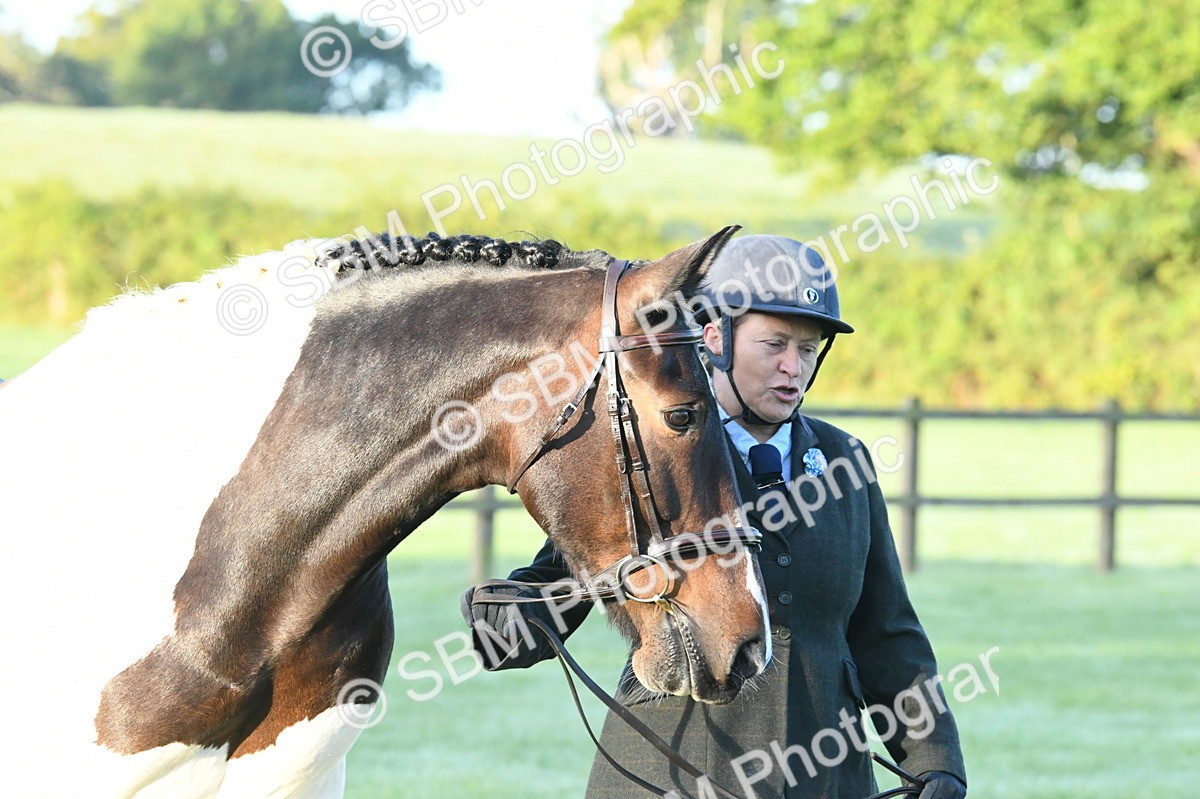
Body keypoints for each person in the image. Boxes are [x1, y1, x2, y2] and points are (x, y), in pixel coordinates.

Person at [461, 235, 967, 799]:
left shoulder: (845, 460)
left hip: (826, 777)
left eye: (807, 349)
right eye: (774, 344)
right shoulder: (656, 459)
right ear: (714, 338)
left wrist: (933, 757)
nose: (791, 367)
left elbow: (886, 629)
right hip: (672, 772)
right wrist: (515, 619)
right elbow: (575, 574)